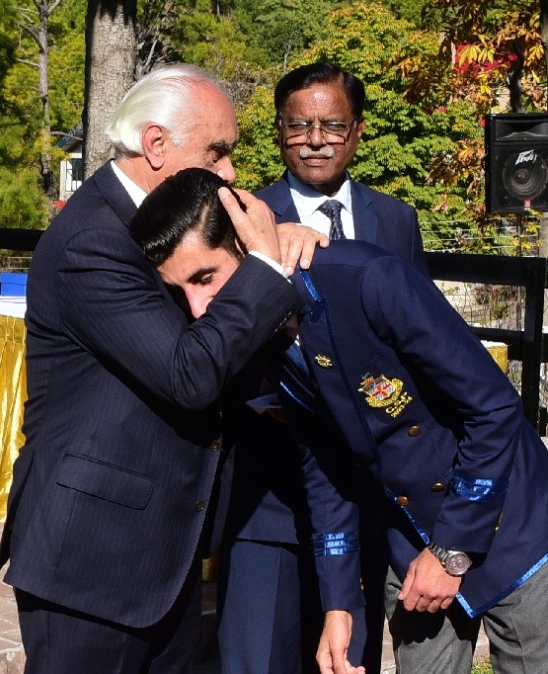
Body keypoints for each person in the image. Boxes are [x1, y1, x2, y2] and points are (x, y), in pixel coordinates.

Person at [131, 167, 548, 674]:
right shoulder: (260, 334)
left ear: (247, 242)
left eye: (205, 278)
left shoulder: (369, 280)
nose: (200, 310)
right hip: (412, 540)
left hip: (513, 528)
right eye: (181, 292)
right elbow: (327, 464)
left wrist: (452, 549)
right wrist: (339, 602)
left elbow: (494, 407)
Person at [0, 63, 325, 674]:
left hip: (164, 556)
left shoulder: (163, 223)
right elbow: (188, 373)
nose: (229, 171)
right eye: (216, 151)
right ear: (155, 144)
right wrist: (264, 267)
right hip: (93, 565)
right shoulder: (93, 239)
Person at [218, 62, 427, 674]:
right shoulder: (242, 216)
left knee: (348, 662)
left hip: (368, 499)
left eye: (332, 125)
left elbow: (417, 347)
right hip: (269, 499)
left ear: (357, 130)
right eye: (298, 126)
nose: (315, 140)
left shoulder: (396, 220)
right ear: (278, 131)